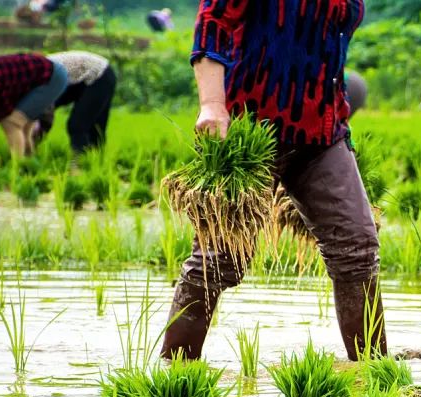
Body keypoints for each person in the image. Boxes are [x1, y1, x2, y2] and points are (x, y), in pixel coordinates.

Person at [161, 0, 386, 363]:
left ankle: (375, 375)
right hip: (251, 128)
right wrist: (212, 104)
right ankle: (175, 374)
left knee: (357, 248)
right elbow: (213, 20)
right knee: (219, 258)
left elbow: (330, 53)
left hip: (323, 137)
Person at [0, 52, 67, 157]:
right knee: (23, 127)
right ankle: (28, 163)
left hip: (50, 76)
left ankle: (16, 168)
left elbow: (3, 113)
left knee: (12, 122)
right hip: (33, 78)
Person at [44, 51, 117, 152]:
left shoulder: (36, 78)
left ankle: (79, 163)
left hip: (99, 74)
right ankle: (94, 161)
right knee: (94, 127)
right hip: (81, 78)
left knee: (78, 126)